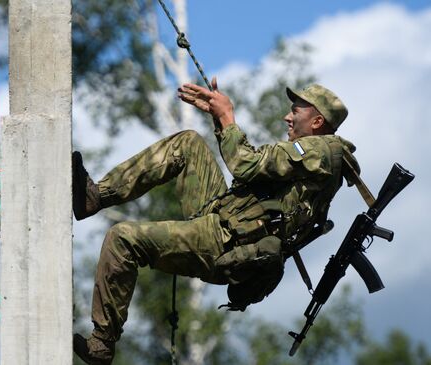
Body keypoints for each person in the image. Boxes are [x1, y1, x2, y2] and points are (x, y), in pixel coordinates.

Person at [72, 77, 358, 365]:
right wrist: (220, 121)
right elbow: (254, 171)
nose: (288, 116)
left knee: (123, 238)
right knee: (188, 143)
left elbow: (246, 165)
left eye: (296, 111)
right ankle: (96, 197)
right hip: (225, 220)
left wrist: (226, 116)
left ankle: (101, 344)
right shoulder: (320, 156)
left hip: (225, 242)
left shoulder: (319, 150)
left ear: (318, 121)